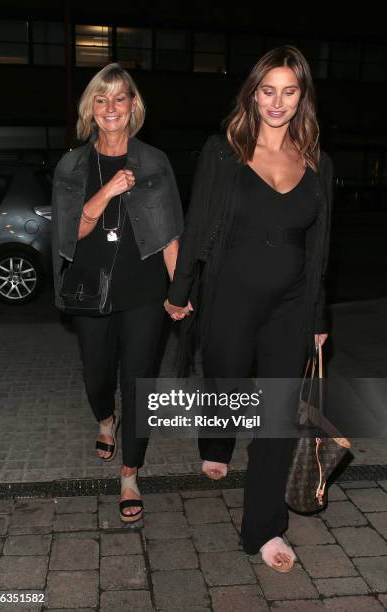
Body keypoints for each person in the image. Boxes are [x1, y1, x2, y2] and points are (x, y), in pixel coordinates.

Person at [165, 46, 333, 571]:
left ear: (301, 96)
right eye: (268, 90)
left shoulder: (318, 163)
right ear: (253, 93)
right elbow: (196, 227)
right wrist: (180, 288)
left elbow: (321, 249)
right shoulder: (224, 151)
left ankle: (265, 528)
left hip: (291, 304)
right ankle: (217, 440)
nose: (277, 102)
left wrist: (320, 319)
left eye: (289, 91)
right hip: (230, 293)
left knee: (279, 414)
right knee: (226, 379)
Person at [51, 63, 183, 523]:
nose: (110, 108)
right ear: (92, 107)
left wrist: (180, 290)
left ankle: (130, 473)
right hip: (90, 290)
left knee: (140, 383)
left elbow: (170, 233)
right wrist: (106, 190)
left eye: (119, 98)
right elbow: (71, 234)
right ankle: (104, 419)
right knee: (96, 376)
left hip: (145, 290)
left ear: (132, 106)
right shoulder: (72, 165)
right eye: (101, 99)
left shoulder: (154, 161)